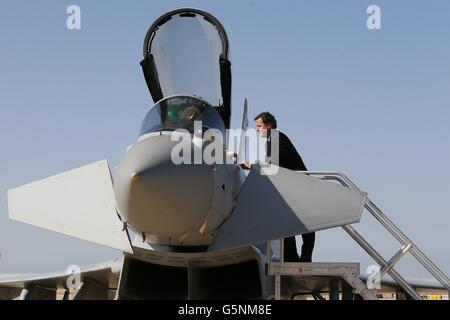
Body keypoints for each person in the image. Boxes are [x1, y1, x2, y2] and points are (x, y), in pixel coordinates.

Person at [241, 112, 315, 262]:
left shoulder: (276, 138)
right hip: (291, 187)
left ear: (268, 125)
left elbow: (271, 166)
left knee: (303, 225)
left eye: (259, 126)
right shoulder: (272, 140)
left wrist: (249, 166)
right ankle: (293, 257)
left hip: (298, 187)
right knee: (290, 224)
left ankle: (301, 257)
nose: (257, 130)